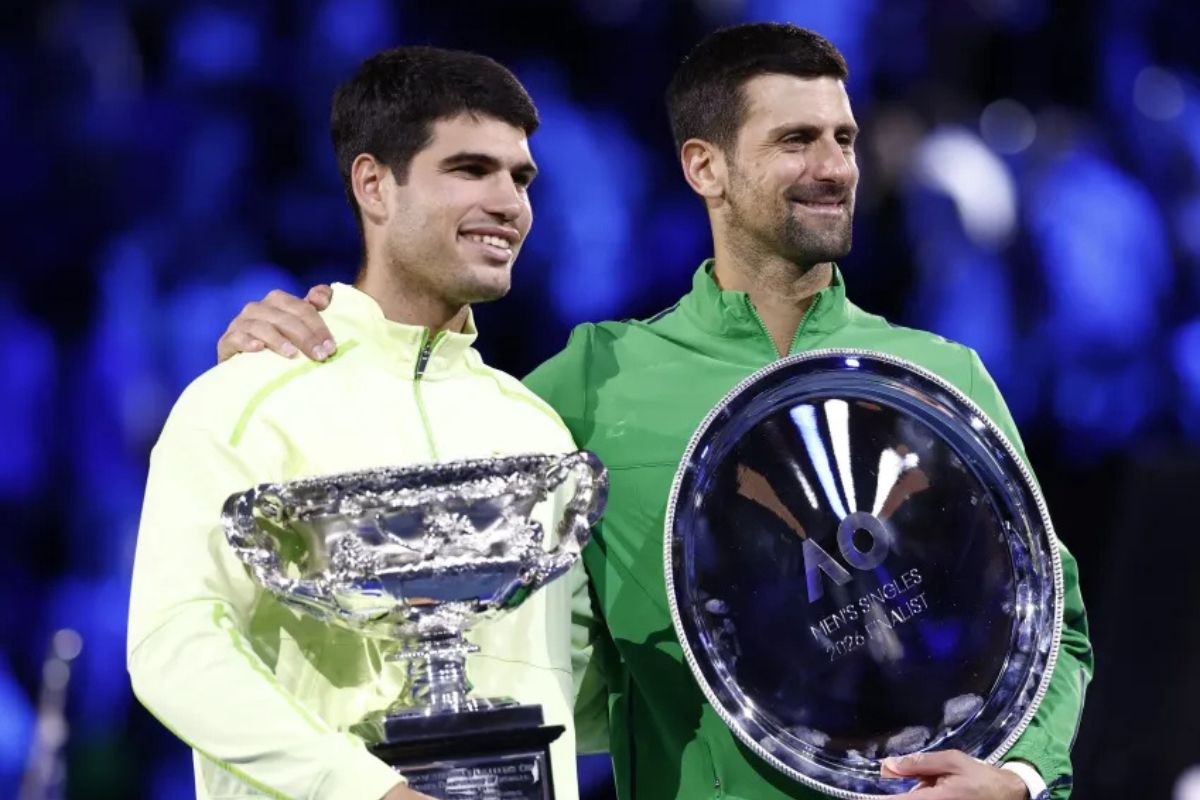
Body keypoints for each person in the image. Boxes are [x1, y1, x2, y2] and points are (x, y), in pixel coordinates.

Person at [217, 24, 1093, 800]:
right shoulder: (595, 382)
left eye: (845, 139)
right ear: (704, 166)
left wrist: (1017, 779)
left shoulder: (940, 379)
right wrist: (306, 348)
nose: (833, 168)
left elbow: (1055, 625)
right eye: (796, 140)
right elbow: (420, 451)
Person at [128, 46, 590, 800]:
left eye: (521, 177)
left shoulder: (533, 428)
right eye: (471, 170)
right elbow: (175, 647)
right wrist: (367, 791)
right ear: (374, 185)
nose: (510, 203)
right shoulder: (246, 399)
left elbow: (573, 680)